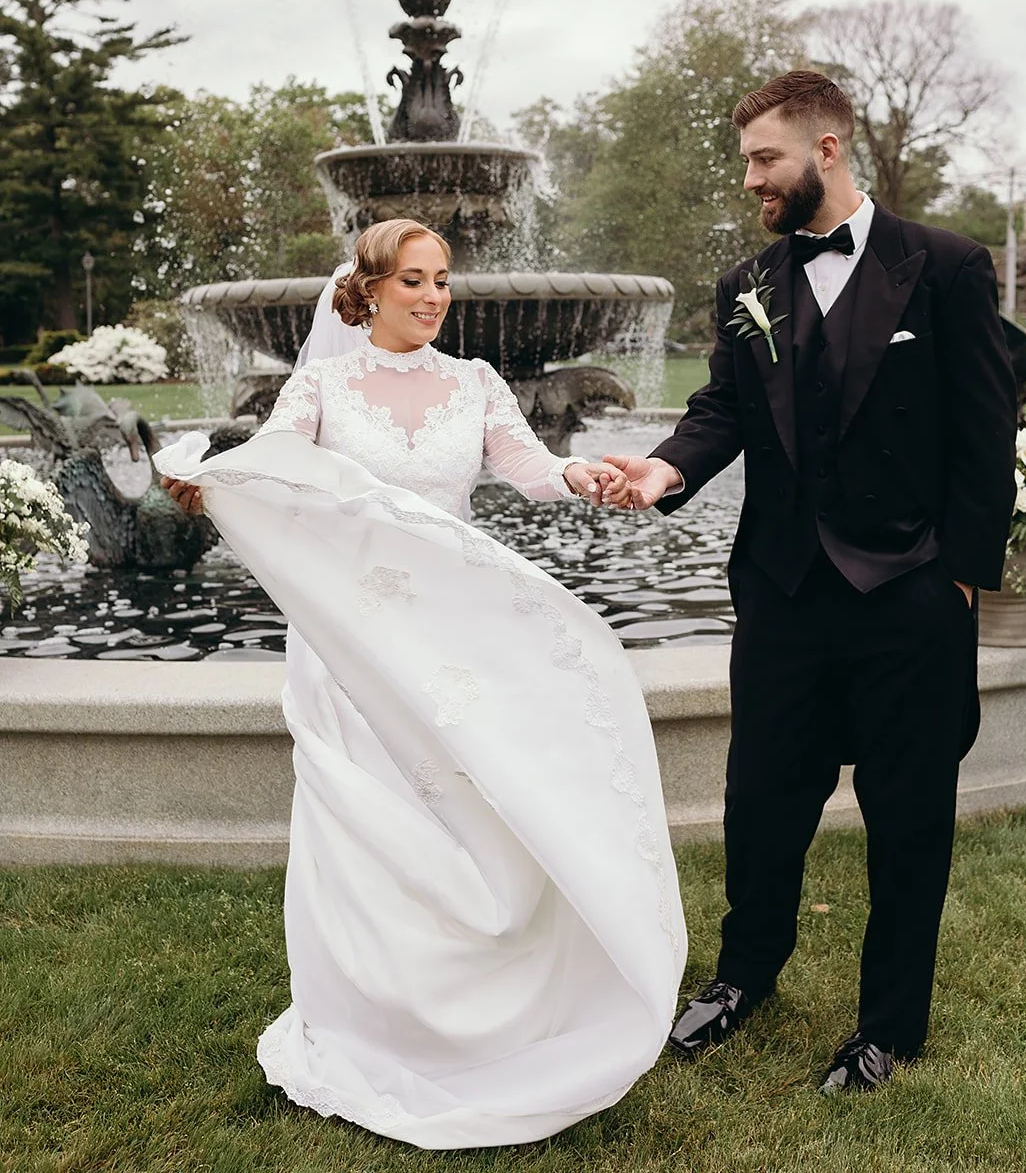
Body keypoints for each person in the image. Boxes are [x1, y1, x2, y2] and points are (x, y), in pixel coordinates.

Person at [159, 218, 686, 1149]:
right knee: (372, 818)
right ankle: (378, 1023)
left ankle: (502, 1009)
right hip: (352, 645)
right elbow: (276, 468)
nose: (435, 296)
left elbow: (523, 468)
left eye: (443, 280)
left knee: (471, 810)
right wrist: (210, 482)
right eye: (414, 280)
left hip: (451, 633)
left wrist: (579, 473)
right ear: (367, 290)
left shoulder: (474, 381)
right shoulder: (319, 382)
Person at [602, 71, 1017, 1093]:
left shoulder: (947, 267)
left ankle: (887, 1024)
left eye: (764, 160)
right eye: (747, 161)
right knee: (759, 802)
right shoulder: (745, 279)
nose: (751, 180)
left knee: (907, 813)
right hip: (784, 593)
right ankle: (744, 978)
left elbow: (984, 432)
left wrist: (958, 581)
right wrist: (663, 469)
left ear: (825, 150)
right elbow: (723, 408)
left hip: (909, 595)